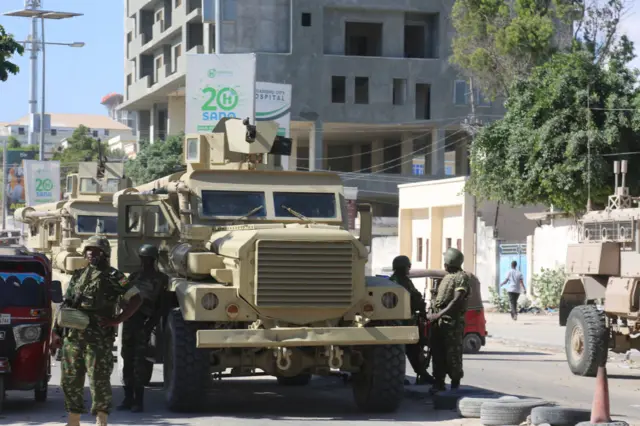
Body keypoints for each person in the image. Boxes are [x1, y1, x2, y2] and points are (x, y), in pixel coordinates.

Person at [50, 236, 142, 426]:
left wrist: (118, 319)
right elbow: (67, 305)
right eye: (89, 250)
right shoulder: (78, 274)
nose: (91, 253)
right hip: (73, 337)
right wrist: (56, 332)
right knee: (70, 380)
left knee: (98, 380)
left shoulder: (114, 276)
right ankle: (73, 421)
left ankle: (101, 421)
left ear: (105, 253)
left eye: (96, 250)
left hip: (97, 339)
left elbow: (136, 299)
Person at [118, 244, 168, 413]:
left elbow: (161, 306)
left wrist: (150, 325)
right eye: (143, 259)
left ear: (154, 260)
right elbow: (123, 293)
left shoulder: (161, 279)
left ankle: (138, 401)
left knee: (139, 363)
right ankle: (127, 398)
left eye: (149, 259)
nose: (145, 262)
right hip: (129, 322)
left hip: (143, 323)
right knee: (127, 360)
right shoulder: (133, 276)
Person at [427, 247, 471, 393]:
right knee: (438, 353)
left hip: (452, 323)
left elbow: (457, 301)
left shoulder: (461, 277)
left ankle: (455, 384)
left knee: (453, 354)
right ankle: (438, 382)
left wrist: (439, 315)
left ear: (449, 262)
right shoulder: (447, 277)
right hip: (440, 323)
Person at [389, 255, 434, 385]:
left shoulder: (395, 281)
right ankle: (418, 374)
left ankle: (421, 374)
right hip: (402, 322)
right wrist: (421, 305)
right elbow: (414, 298)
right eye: (408, 266)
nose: (409, 269)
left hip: (400, 322)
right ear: (403, 267)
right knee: (409, 350)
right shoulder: (401, 282)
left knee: (407, 351)